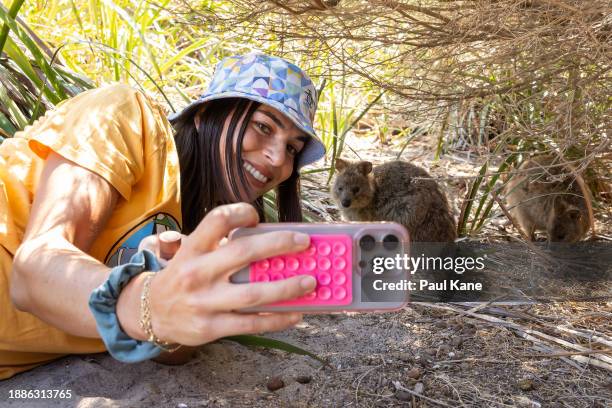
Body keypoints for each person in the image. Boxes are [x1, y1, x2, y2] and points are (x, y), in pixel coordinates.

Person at [0, 52, 326, 379]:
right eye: (263, 126)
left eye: (292, 149)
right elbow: (34, 271)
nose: (276, 158)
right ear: (204, 115)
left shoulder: (202, 228)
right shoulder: (126, 116)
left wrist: (195, 299)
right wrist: (148, 300)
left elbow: (167, 345)